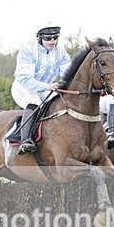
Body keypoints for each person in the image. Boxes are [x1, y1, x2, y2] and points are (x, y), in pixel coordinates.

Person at [11, 23, 71, 154]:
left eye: (55, 37)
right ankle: (25, 140)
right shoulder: (28, 50)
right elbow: (25, 79)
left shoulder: (60, 51)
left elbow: (68, 73)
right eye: (48, 38)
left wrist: (65, 84)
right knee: (35, 102)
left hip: (46, 88)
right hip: (23, 88)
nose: (52, 41)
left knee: (60, 102)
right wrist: (47, 86)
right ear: (39, 38)